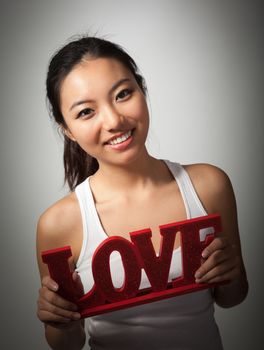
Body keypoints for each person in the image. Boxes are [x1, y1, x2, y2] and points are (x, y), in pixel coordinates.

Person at [36, 36, 248, 350]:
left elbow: (232, 297)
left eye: (123, 94)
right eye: (85, 112)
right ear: (66, 128)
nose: (114, 121)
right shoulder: (58, 224)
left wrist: (230, 273)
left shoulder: (209, 185)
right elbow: (67, 343)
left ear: (142, 89)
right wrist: (58, 319)